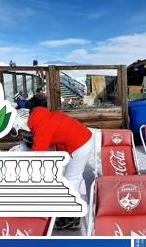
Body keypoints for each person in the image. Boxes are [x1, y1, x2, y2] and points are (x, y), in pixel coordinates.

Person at [27, 92, 95, 229]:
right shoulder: (48, 117)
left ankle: (71, 217)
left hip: (80, 145)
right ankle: (76, 206)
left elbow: (37, 154)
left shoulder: (42, 125)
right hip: (83, 139)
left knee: (71, 178)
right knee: (73, 175)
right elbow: (59, 135)